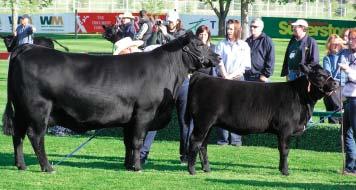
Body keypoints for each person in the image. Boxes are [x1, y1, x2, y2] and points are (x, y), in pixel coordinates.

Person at [140, 10, 187, 165]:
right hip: (162, 81)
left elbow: (181, 48)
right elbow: (149, 47)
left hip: (181, 82)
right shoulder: (160, 32)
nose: (169, 23)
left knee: (184, 120)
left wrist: (166, 34)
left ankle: (185, 155)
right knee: (153, 117)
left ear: (178, 21)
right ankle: (142, 154)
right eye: (167, 20)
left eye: (171, 21)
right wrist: (155, 32)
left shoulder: (183, 34)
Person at [214, 19, 251, 146]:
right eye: (228, 28)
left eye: (231, 29)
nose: (229, 31)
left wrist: (230, 76)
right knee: (221, 110)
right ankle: (222, 140)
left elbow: (243, 67)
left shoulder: (244, 46)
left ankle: (236, 140)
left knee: (238, 111)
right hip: (222, 80)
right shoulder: (221, 44)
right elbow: (219, 62)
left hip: (238, 81)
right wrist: (225, 76)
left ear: (237, 30)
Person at [339, 28, 356, 175]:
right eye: (349, 38)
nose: (350, 41)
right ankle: (351, 167)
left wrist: (347, 70)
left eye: (353, 39)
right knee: (347, 133)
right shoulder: (348, 54)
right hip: (348, 99)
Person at [322, 34, 346, 124]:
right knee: (329, 99)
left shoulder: (345, 54)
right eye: (333, 44)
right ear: (329, 45)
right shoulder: (327, 58)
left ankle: (340, 124)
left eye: (337, 44)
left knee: (333, 98)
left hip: (343, 85)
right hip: (333, 85)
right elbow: (328, 74)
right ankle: (333, 127)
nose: (335, 46)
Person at [245, 18, 275, 82]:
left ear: (261, 28)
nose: (252, 28)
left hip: (260, 77)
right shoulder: (247, 41)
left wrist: (265, 75)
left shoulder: (267, 41)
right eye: (251, 26)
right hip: (247, 76)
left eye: (255, 27)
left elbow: (270, 59)